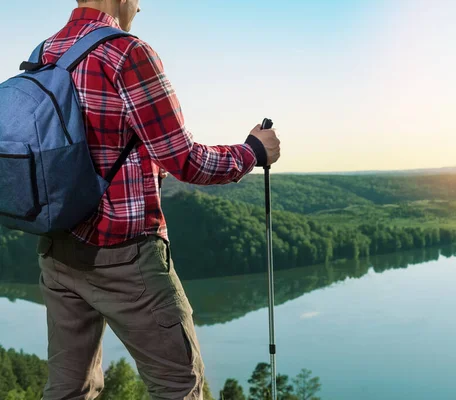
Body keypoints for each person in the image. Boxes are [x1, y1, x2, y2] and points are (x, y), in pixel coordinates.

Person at [35, 1, 281, 398]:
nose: (139, 6)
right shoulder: (128, 53)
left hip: (57, 253)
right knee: (180, 387)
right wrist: (253, 151)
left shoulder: (45, 53)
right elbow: (185, 161)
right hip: (126, 256)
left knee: (68, 390)